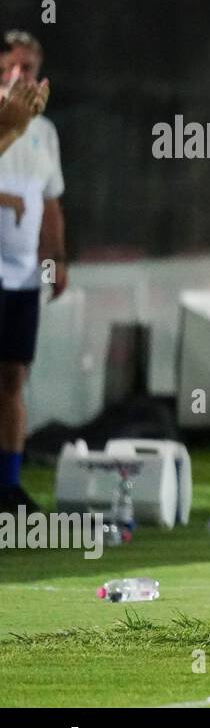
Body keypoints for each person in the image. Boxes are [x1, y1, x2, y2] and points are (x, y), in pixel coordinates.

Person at [0, 31, 61, 516]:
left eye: (30, 66)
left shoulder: (44, 131)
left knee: (13, 375)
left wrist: (56, 256)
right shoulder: (12, 122)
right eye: (14, 65)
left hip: (20, 277)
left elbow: (50, 199)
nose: (23, 75)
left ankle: (9, 485)